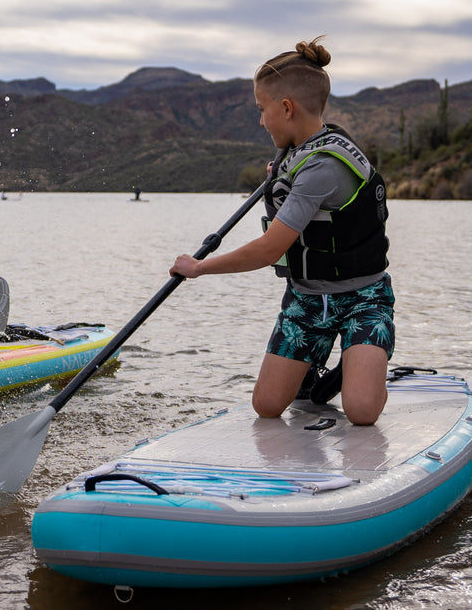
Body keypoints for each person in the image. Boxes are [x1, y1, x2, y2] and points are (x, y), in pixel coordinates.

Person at [169, 37, 394, 426]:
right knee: (268, 406)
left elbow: (268, 251)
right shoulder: (299, 150)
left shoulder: (323, 166)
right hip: (307, 301)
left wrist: (199, 268)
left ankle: (357, 367)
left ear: (286, 108)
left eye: (262, 109)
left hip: (363, 298)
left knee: (360, 411)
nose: (261, 120)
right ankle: (310, 371)